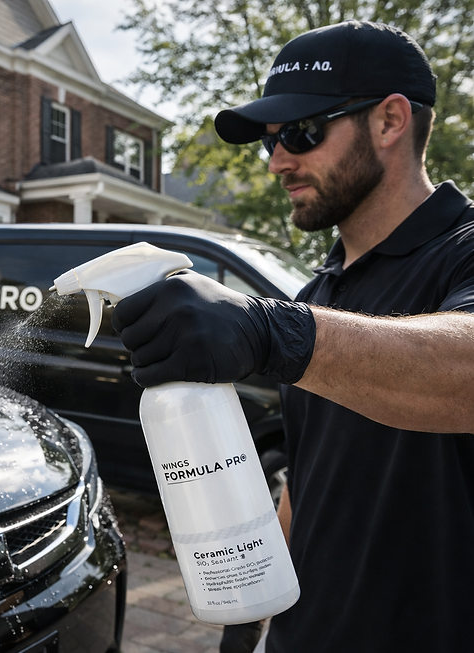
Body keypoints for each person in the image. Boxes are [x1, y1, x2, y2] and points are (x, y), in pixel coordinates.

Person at [111, 20, 474, 652]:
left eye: (302, 133)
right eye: (270, 142)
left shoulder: (461, 254)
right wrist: (247, 623)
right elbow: (307, 478)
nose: (279, 161)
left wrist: (269, 330)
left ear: (390, 121)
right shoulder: (315, 296)